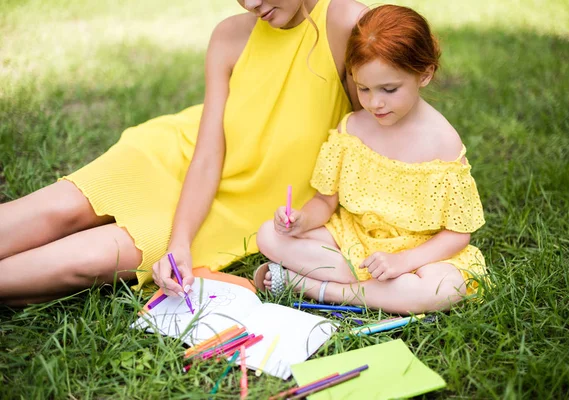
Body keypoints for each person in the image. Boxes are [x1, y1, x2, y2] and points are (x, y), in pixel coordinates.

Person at [0, 0, 367, 306]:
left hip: (241, 207)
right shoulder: (230, 35)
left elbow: (379, 134)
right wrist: (179, 242)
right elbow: (208, 151)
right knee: (57, 210)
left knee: (86, 261)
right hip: (177, 156)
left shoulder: (347, 25)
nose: (251, 3)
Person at [255, 4, 487, 315]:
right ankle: (382, 292)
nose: (374, 103)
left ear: (425, 74)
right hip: (355, 242)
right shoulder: (352, 129)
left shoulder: (443, 143)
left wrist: (403, 261)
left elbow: (458, 233)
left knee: (445, 288)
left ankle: (319, 288)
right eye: (363, 88)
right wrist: (301, 220)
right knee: (268, 235)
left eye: (389, 89)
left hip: (418, 255)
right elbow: (325, 201)